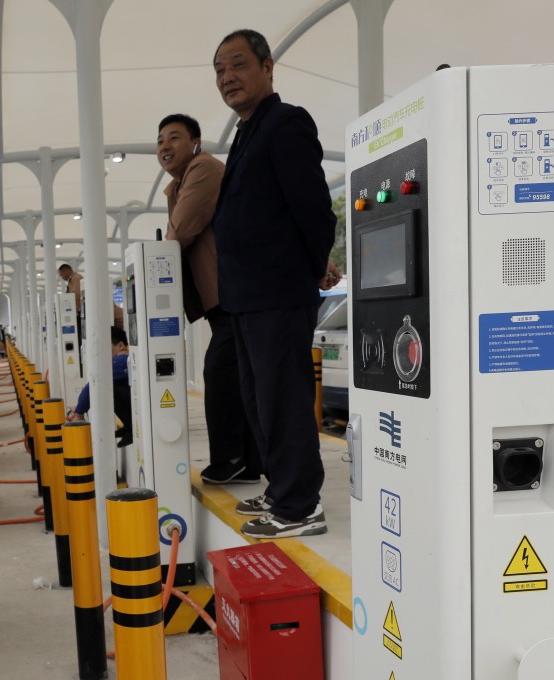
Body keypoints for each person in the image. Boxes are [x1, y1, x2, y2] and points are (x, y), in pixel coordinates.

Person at [211, 29, 341, 539]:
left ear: (268, 67)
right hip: (245, 296)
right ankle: (279, 485)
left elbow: (312, 207)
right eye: (220, 70)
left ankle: (299, 505)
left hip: (277, 291)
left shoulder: (286, 123)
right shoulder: (247, 132)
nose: (227, 78)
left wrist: (313, 267)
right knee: (259, 399)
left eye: (238, 65)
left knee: (283, 397)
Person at [157, 113, 260, 485]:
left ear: (196, 142)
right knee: (235, 373)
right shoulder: (181, 183)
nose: (165, 147)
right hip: (224, 296)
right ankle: (247, 461)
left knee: (220, 372)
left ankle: (231, 458)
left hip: (234, 291)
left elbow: (179, 232)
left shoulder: (203, 169)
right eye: (160, 141)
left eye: (174, 138)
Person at [67, 325, 132, 446]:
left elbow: (95, 382)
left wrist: (79, 412)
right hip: (134, 402)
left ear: (120, 345)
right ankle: (129, 426)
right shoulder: (125, 360)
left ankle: (131, 428)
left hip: (137, 405)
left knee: (106, 386)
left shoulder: (122, 361)